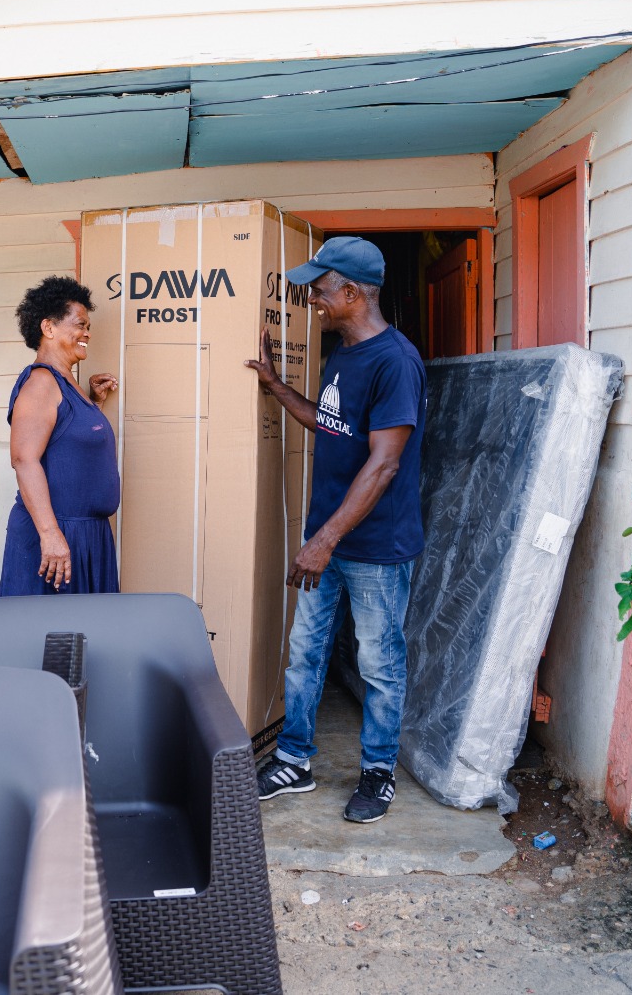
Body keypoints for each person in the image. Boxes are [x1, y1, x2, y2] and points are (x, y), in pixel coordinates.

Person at [243, 236, 426, 824]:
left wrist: (323, 540)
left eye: (320, 290)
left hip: (373, 550)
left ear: (352, 291)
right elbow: (331, 426)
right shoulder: (343, 354)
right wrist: (276, 387)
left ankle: (377, 772)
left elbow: (385, 464)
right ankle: (294, 760)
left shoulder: (395, 361)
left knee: (379, 663)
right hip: (327, 541)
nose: (313, 299)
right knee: (305, 654)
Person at [1, 275, 121, 596]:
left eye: (88, 325)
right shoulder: (41, 383)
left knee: (85, 639)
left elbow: (66, 437)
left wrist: (92, 401)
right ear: (49, 328)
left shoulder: (67, 386)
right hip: (57, 536)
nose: (87, 333)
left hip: (85, 535)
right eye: (80, 324)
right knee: (50, 639)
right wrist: (51, 535)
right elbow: (24, 460)